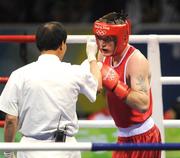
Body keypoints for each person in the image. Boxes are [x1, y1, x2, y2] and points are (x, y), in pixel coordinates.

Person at [0, 21, 102, 158]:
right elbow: (97, 85)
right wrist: (91, 57)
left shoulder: (19, 75)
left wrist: (8, 152)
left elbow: (11, 119)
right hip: (65, 149)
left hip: (30, 149)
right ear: (62, 45)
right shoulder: (73, 72)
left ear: (38, 45)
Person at [93, 12, 161, 158]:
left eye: (107, 39)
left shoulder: (136, 61)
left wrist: (116, 85)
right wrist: (91, 62)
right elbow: (95, 89)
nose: (102, 44)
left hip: (143, 137)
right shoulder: (103, 54)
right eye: (99, 38)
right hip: (123, 137)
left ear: (121, 37)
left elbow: (143, 104)